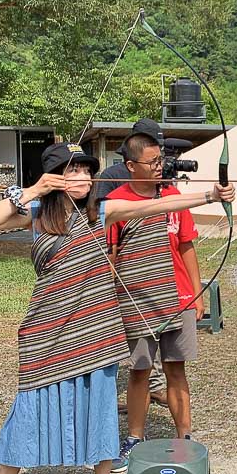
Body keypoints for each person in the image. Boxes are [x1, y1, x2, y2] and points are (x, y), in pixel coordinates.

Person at [0, 142, 235, 474]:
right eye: (72, 171)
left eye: (86, 170)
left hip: (95, 327)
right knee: (31, 402)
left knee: (98, 403)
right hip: (46, 326)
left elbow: (156, 204)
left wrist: (210, 194)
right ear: (55, 177)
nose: (82, 177)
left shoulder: (101, 212)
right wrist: (35, 190)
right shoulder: (36, 212)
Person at [106, 131, 207, 472]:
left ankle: (185, 438)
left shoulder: (174, 196)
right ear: (131, 166)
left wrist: (196, 292)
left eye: (160, 160)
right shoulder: (117, 201)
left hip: (177, 297)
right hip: (137, 298)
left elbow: (186, 244)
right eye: (152, 162)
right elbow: (112, 255)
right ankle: (135, 438)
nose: (158, 167)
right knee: (140, 370)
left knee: (175, 368)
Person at [96, 118, 169, 408]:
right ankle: (132, 389)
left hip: (154, 267)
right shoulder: (113, 175)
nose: (158, 163)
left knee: (151, 332)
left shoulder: (160, 175)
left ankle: (154, 385)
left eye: (159, 156)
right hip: (122, 263)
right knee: (130, 338)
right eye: (153, 156)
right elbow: (102, 218)